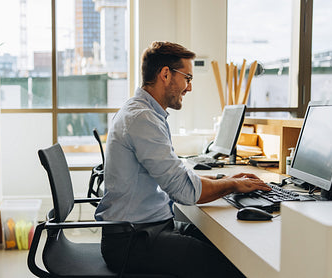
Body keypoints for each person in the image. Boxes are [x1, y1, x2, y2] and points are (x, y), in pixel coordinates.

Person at [94, 41, 271, 277]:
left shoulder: (144, 113)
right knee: (232, 267)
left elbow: (176, 174)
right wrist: (232, 185)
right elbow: (185, 192)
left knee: (227, 250)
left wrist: (223, 179)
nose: (189, 87)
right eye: (187, 78)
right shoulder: (142, 119)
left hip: (145, 229)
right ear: (165, 74)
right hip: (132, 240)